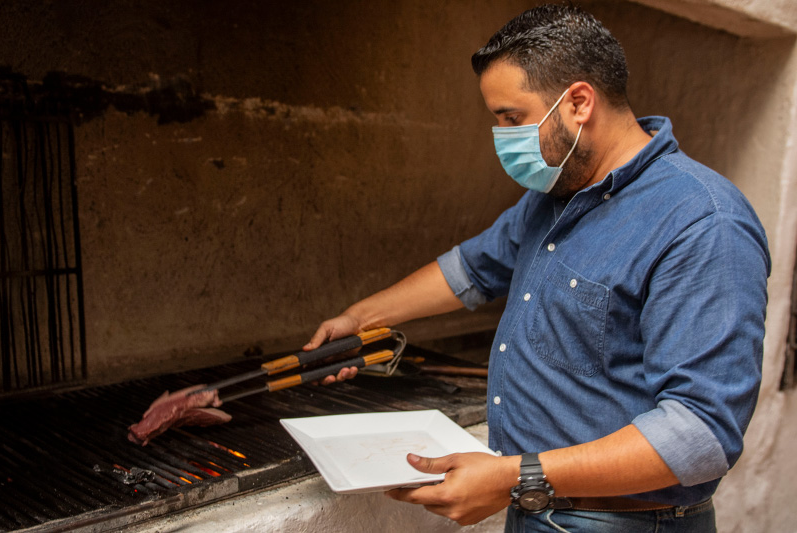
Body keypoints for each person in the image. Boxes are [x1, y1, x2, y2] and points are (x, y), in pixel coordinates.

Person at [305, 4, 770, 532]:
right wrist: (359, 319)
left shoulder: (703, 221)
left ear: (577, 103)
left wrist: (511, 477)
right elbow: (472, 270)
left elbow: (699, 435)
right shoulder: (557, 191)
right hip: (538, 510)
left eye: (511, 118)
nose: (503, 137)